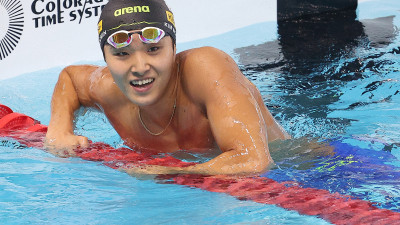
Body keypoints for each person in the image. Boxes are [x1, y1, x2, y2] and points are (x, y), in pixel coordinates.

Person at [45, 0, 291, 175]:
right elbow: (70, 79)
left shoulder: (206, 68)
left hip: (296, 169)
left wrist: (167, 171)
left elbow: (254, 160)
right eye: (122, 54)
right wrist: (59, 129)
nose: (139, 67)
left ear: (174, 49)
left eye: (153, 49)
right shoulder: (108, 88)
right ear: (106, 59)